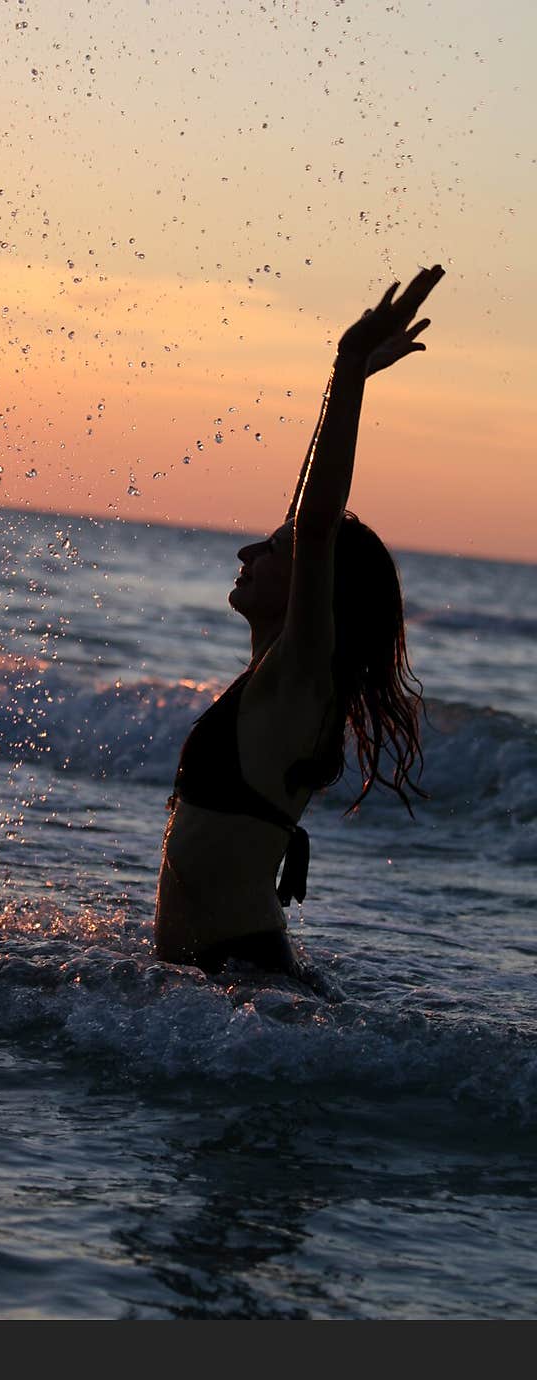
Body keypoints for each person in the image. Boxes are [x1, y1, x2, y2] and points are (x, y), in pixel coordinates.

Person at [154, 265, 445, 976]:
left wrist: (349, 370)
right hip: (222, 987)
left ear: (316, 588)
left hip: (246, 981)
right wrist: (341, 386)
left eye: (273, 551)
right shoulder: (274, 674)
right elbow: (303, 517)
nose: (248, 551)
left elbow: (314, 526)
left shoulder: (303, 674)